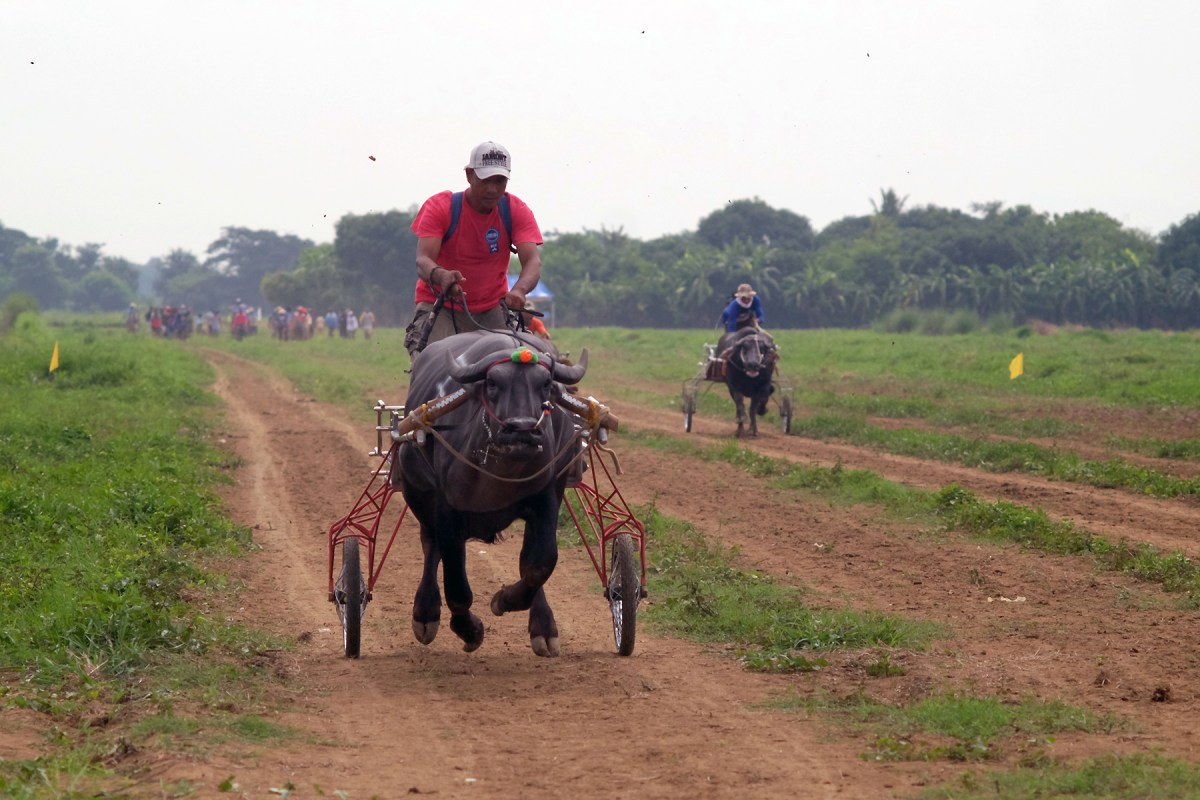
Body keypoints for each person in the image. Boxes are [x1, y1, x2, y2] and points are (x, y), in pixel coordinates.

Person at [405, 141, 543, 356]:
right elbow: (423, 260)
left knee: (521, 366)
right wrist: (441, 276)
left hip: (491, 308)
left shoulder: (516, 210)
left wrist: (519, 290)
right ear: (470, 175)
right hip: (441, 305)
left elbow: (532, 261)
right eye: (485, 180)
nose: (492, 189)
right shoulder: (441, 207)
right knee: (431, 364)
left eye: (499, 181)